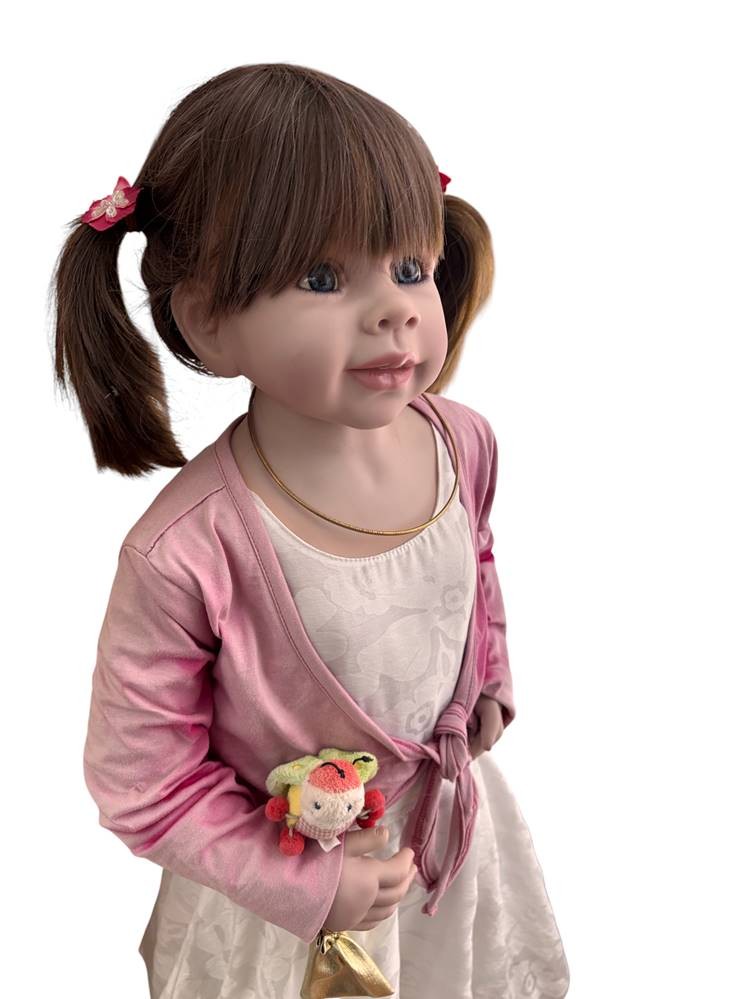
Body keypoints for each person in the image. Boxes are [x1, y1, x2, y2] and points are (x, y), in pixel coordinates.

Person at [51, 62, 570, 998]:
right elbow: (142, 781)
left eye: (409, 268)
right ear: (207, 321)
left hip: (446, 844)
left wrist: (485, 677)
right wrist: (309, 884)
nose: (395, 308)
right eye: (323, 277)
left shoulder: (461, 441)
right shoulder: (187, 550)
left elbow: (475, 562)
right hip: (285, 906)